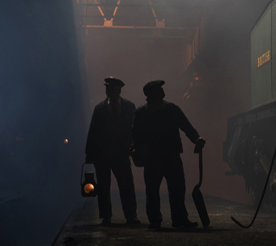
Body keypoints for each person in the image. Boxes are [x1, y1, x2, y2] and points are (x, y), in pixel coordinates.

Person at [132, 80, 205, 229]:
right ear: (152, 94)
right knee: (154, 190)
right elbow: (135, 134)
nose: (162, 91)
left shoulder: (148, 111)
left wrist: (196, 138)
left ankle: (168, 219)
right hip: (160, 157)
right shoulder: (162, 110)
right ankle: (167, 219)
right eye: (159, 89)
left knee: (175, 188)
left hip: (163, 156)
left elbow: (185, 125)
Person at [85, 77, 140, 226]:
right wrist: (89, 153)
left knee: (123, 184)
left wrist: (89, 153)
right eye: (108, 88)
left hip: (114, 153)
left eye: (111, 88)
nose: (108, 90)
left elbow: (93, 132)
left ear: (118, 90)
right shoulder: (127, 106)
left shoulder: (102, 108)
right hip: (109, 153)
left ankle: (123, 215)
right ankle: (122, 216)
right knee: (109, 185)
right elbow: (93, 132)